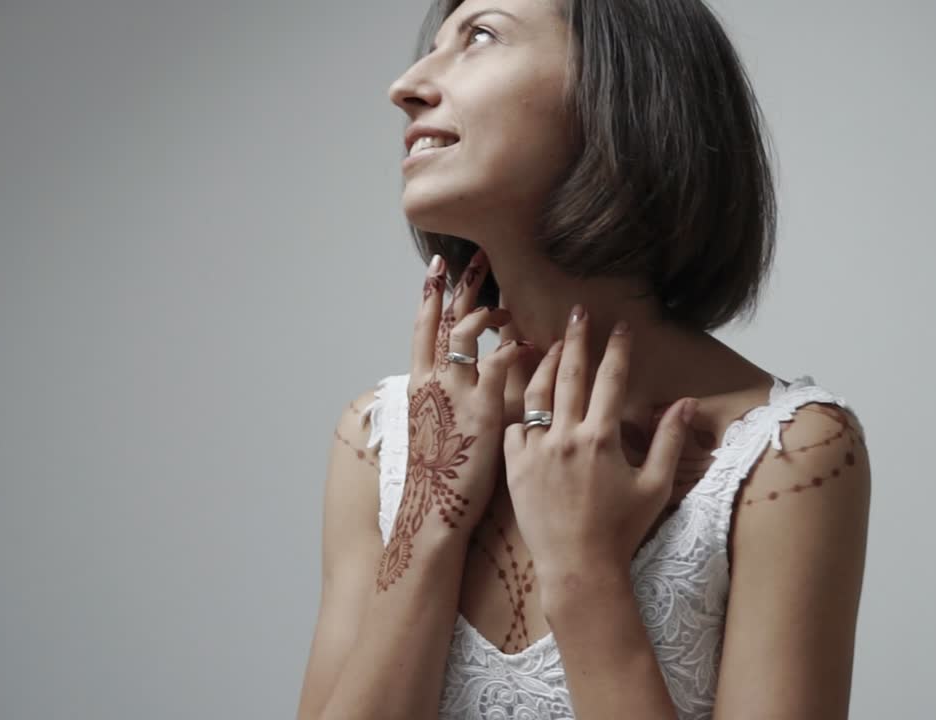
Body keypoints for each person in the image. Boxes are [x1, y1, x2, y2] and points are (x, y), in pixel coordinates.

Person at [296, 0, 871, 718]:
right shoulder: (379, 438)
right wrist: (430, 514)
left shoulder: (788, 453)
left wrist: (585, 571)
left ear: (620, 88)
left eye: (480, 34)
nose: (406, 84)